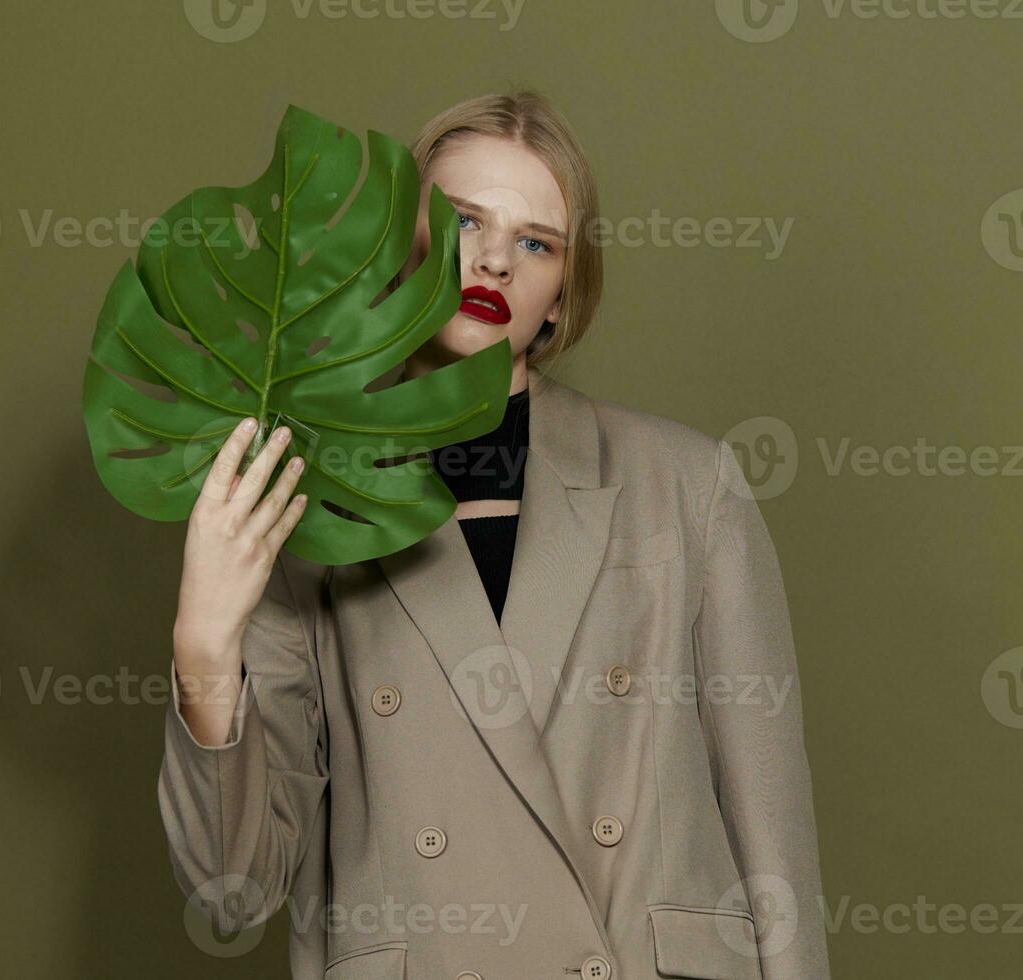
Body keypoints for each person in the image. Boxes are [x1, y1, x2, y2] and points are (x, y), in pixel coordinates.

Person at [159, 89, 831, 980]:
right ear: (400, 246)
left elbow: (774, 845)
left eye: (535, 242)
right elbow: (232, 893)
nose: (495, 261)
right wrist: (204, 639)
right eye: (462, 219)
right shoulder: (304, 503)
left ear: (560, 295)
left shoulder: (686, 486)